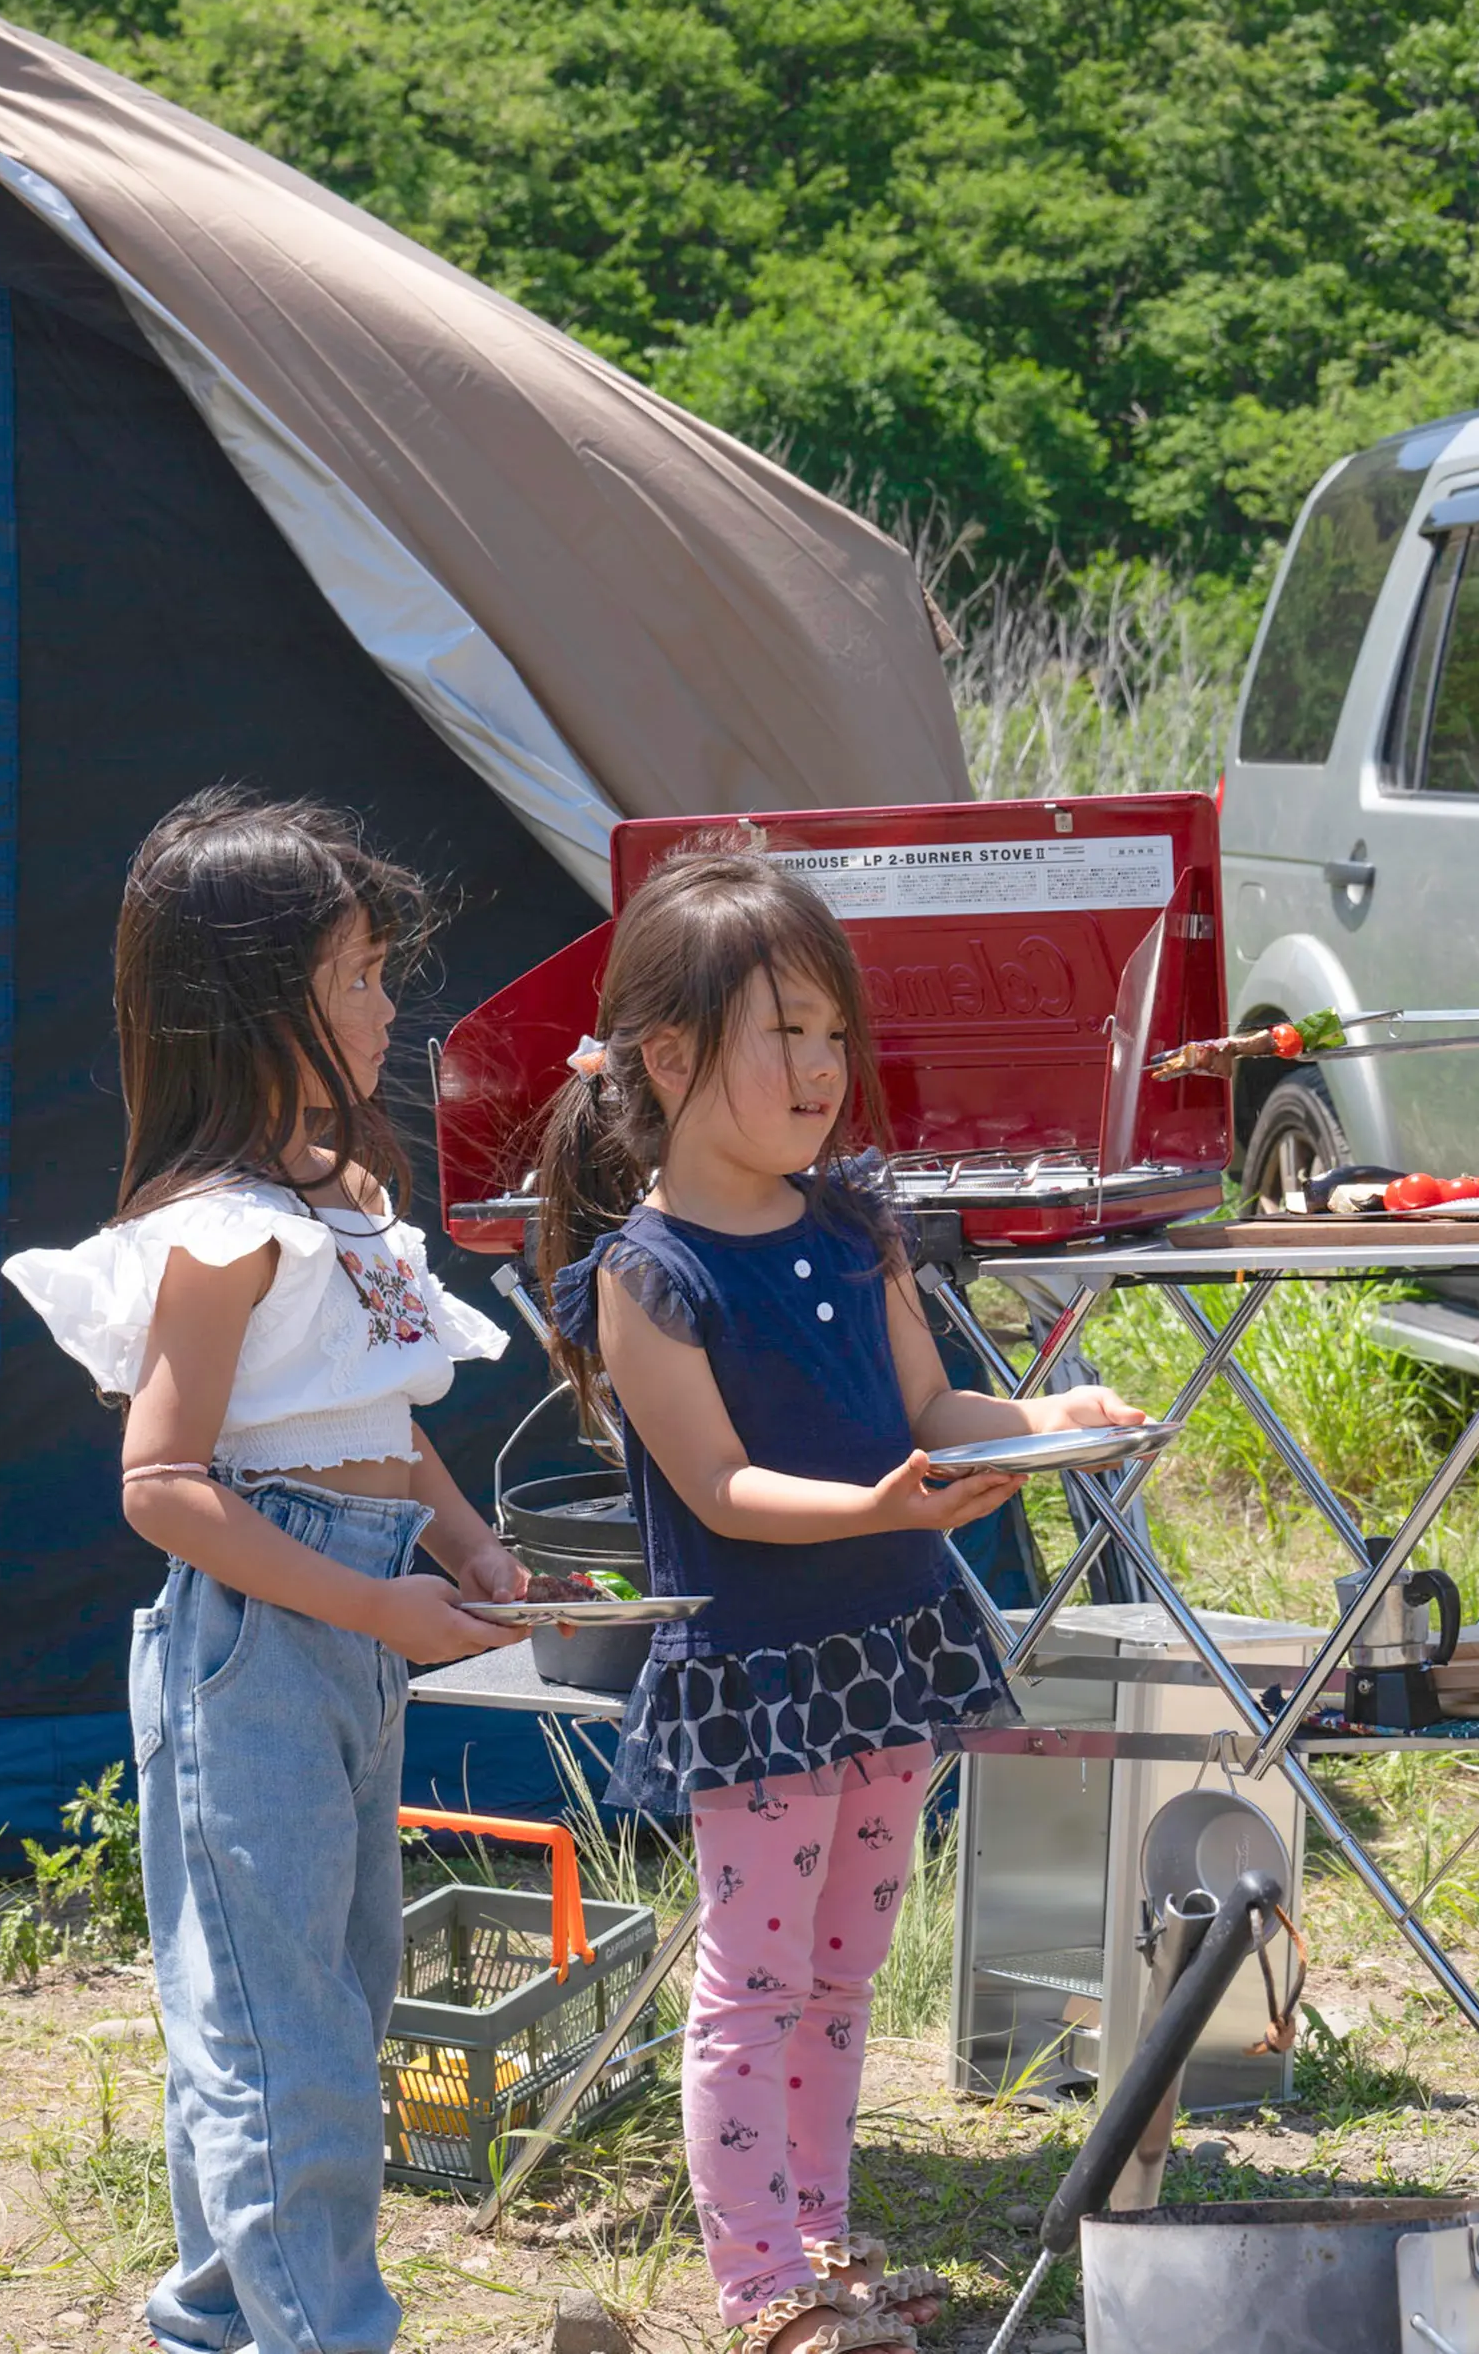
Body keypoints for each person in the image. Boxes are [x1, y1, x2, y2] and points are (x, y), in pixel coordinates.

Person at [527, 843, 1144, 2354]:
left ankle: (822, 2237)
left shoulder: (856, 1221)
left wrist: (1061, 1421)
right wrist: (877, 1503)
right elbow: (725, 1488)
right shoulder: (648, 1275)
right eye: (778, 1032)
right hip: (761, 1671)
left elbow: (935, 1405)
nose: (818, 1067)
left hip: (890, 1645)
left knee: (850, 1966)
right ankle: (761, 2286)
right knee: (755, 1977)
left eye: (829, 1030)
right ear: (667, 1060)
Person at [1, 789, 528, 2354]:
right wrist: (374, 1598)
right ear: (254, 1000)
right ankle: (324, 2330)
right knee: (278, 2026)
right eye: (359, 976)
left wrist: (468, 1543)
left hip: (355, 1623)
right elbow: (164, 1485)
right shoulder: (221, 1233)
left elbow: (375, 1423)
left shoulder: (346, 1207)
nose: (386, 1007)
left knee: (327, 1999)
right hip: (262, 1642)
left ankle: (215, 2316)